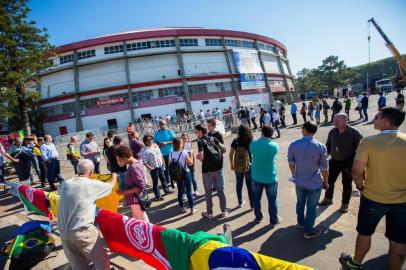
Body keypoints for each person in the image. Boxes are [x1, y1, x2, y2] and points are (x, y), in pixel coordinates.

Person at [339, 108, 406, 270]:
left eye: (377, 117)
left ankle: (356, 263)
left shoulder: (369, 141)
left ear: (386, 121)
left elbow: (356, 171)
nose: (374, 119)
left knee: (365, 232)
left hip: (373, 198)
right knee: (398, 240)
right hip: (402, 200)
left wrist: (361, 187)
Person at [58, 159, 117, 270]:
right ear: (91, 172)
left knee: (77, 264)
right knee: (102, 261)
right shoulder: (91, 184)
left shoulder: (66, 183)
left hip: (63, 231)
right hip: (82, 231)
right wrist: (114, 173)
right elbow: (111, 185)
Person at [287, 121, 329, 238]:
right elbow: (324, 169)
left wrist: (294, 175)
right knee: (311, 207)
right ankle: (308, 230)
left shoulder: (294, 144)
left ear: (304, 129)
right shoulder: (321, 146)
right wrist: (326, 182)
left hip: (299, 181)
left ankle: (300, 223)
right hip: (314, 182)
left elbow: (291, 163)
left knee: (300, 203)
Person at [319, 113, 363, 213]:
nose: (335, 122)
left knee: (346, 183)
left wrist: (356, 163)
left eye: (338, 120)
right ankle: (328, 199)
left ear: (345, 121)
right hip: (334, 160)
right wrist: (324, 158)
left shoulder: (355, 133)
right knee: (329, 181)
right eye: (334, 120)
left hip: (348, 161)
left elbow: (361, 150)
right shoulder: (333, 131)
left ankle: (345, 204)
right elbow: (328, 146)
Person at [195, 124, 228, 218]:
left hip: (207, 171)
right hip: (218, 169)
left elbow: (201, 157)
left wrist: (197, 157)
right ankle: (224, 211)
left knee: (208, 192)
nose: (196, 134)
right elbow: (224, 149)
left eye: (196, 132)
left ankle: (209, 213)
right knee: (220, 191)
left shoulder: (200, 141)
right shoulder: (213, 138)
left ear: (200, 132)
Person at [249, 126, 280, 226]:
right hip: (270, 178)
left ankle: (258, 217)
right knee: (272, 200)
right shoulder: (274, 145)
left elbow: (252, 152)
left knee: (256, 198)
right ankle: (273, 220)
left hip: (256, 177)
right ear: (271, 134)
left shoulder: (254, 144)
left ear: (262, 133)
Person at [116, 145, 149, 222]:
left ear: (123, 157)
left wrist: (123, 192)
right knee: (139, 221)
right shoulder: (134, 163)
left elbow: (140, 186)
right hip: (136, 199)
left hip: (136, 200)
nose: (118, 162)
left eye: (118, 159)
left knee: (144, 223)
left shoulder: (133, 167)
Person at [168, 138, 196, 214]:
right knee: (189, 191)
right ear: (180, 144)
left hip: (177, 175)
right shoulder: (184, 153)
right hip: (186, 173)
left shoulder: (170, 153)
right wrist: (192, 154)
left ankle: (182, 207)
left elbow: (170, 164)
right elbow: (190, 163)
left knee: (180, 191)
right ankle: (192, 208)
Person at [229, 125, 254, 209]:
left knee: (239, 184)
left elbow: (231, 154)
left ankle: (240, 202)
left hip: (237, 166)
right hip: (248, 165)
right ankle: (252, 205)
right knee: (249, 185)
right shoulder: (249, 140)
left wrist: (232, 164)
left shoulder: (235, 141)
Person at [142, 134, 172, 200]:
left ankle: (166, 191)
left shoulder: (155, 145)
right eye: (148, 140)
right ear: (145, 141)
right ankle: (157, 196)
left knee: (163, 178)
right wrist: (150, 168)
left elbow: (160, 153)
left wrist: (163, 161)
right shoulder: (144, 150)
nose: (150, 141)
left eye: (151, 139)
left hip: (160, 165)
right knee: (155, 182)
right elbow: (144, 161)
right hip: (153, 168)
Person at [154, 120, 176, 189]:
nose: (161, 125)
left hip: (170, 153)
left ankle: (174, 181)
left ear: (165, 124)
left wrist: (166, 143)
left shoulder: (169, 131)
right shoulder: (156, 133)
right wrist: (158, 145)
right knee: (164, 169)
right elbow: (154, 143)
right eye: (160, 124)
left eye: (163, 124)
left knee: (172, 168)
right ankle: (167, 181)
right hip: (161, 154)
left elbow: (175, 141)